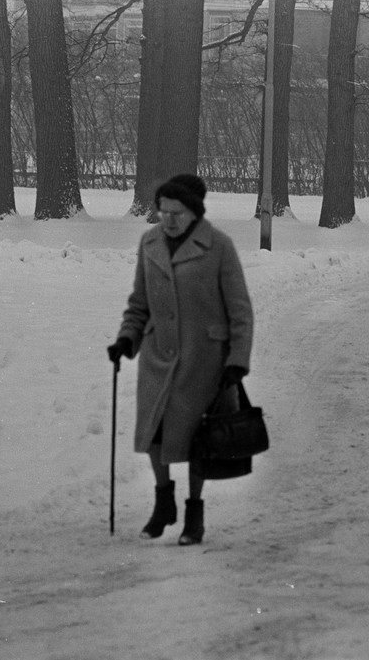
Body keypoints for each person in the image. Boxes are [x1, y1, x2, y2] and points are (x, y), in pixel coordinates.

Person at [107, 173, 253, 545]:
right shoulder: (149, 242)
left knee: (197, 439)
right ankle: (163, 503)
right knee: (156, 436)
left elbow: (240, 309)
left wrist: (237, 360)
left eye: (177, 213)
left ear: (195, 213)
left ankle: (194, 514)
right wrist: (127, 339)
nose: (168, 220)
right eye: (163, 211)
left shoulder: (218, 246)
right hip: (157, 358)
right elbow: (140, 303)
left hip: (204, 362)